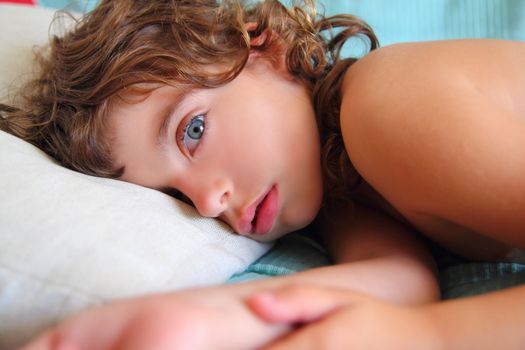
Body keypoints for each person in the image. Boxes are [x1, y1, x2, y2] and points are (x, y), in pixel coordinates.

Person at [1, 0, 524, 348]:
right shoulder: (342, 187)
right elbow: (401, 281)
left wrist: (427, 337)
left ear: (263, 47)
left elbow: (414, 315)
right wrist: (196, 320)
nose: (207, 204)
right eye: (171, 192)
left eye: (194, 130)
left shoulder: (383, 107)